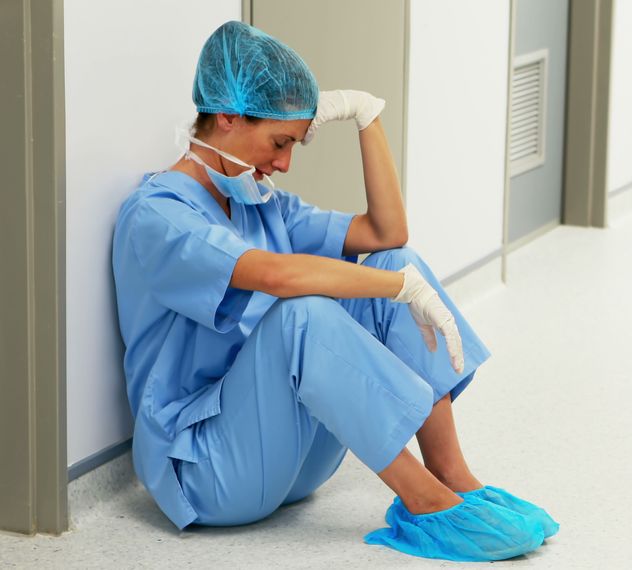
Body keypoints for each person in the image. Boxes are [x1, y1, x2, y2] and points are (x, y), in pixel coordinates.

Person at [111, 21, 557, 562]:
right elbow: (277, 276)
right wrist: (397, 288)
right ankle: (427, 504)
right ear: (227, 117)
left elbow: (387, 234)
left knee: (398, 260)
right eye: (279, 142)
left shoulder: (259, 203)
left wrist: (366, 116)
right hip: (207, 470)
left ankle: (455, 478)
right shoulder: (158, 215)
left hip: (294, 460)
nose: (284, 163)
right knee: (305, 313)